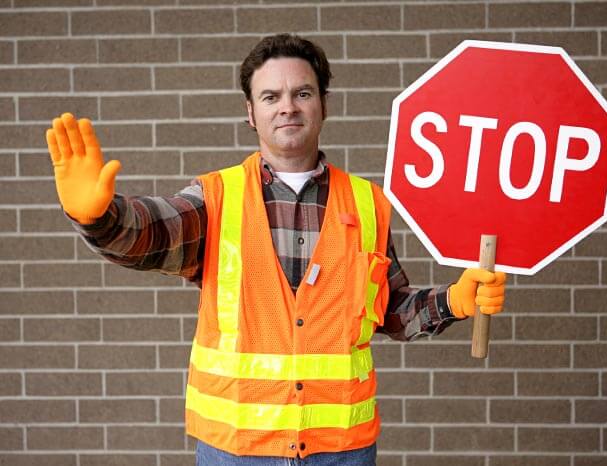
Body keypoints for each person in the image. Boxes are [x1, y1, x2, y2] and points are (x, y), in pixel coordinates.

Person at [45, 33, 506, 466]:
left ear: (324, 104)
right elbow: (149, 234)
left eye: (302, 93)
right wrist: (99, 219)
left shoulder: (368, 204)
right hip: (237, 449)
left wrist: (455, 301)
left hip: (342, 449)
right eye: (271, 97)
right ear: (251, 112)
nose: (287, 107)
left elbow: (392, 311)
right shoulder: (214, 199)